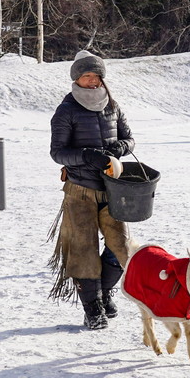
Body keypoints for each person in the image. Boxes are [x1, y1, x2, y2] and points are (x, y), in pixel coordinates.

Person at [46, 50, 135, 329]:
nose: (92, 80)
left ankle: (105, 291)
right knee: (83, 249)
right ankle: (92, 307)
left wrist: (122, 147)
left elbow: (129, 138)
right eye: (87, 75)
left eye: (96, 76)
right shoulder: (66, 110)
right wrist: (86, 155)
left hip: (112, 190)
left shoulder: (112, 106)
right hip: (80, 191)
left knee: (121, 246)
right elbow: (58, 152)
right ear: (77, 78)